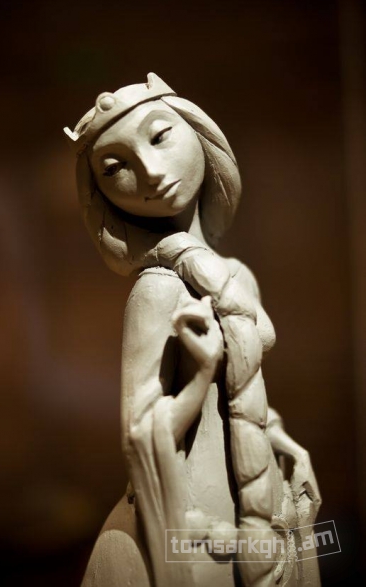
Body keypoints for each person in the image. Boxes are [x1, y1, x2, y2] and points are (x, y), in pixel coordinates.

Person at [64, 74, 321, 587]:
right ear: (101, 193)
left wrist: (280, 439)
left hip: (257, 491)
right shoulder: (157, 290)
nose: (150, 170)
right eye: (115, 167)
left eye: (160, 136)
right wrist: (199, 373)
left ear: (201, 134)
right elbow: (141, 432)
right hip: (195, 518)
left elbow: (242, 393)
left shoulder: (235, 274)